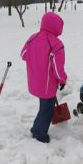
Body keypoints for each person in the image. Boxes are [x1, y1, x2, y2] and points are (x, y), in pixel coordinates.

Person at [20, 12, 67, 143]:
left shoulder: (32, 38)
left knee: (44, 107)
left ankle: (36, 128)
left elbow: (23, 54)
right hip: (47, 84)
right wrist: (62, 80)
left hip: (34, 80)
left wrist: (37, 58)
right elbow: (58, 68)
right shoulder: (56, 44)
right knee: (48, 110)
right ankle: (40, 135)